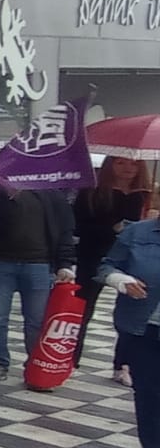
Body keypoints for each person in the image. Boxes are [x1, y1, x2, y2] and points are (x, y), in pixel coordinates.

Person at [0, 180, 78, 383]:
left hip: (39, 264)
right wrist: (6, 196)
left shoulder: (52, 193)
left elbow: (65, 230)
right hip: (0, 262)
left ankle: (36, 364)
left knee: (37, 320)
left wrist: (65, 264)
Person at [94, 217, 160, 448]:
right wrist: (120, 280)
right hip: (143, 326)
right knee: (147, 391)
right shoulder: (138, 232)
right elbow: (106, 266)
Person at [75, 157, 147, 382]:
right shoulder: (94, 191)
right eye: (121, 163)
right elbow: (79, 226)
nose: (128, 169)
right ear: (110, 165)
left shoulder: (143, 195)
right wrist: (112, 229)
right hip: (94, 255)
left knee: (132, 312)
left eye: (134, 164)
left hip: (133, 259)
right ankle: (70, 358)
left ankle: (123, 364)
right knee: (82, 309)